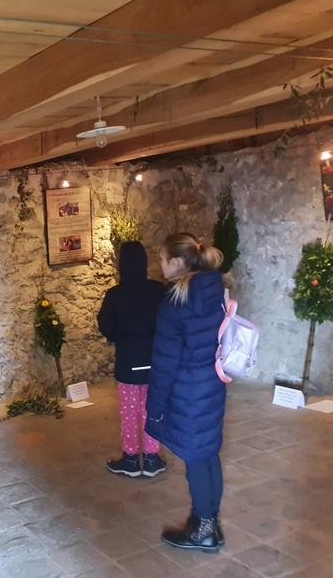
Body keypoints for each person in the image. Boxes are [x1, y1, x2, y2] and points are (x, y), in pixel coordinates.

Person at [146, 232, 227, 553]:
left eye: (163, 259)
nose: (160, 265)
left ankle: (204, 531)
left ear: (177, 261)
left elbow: (165, 363)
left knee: (196, 459)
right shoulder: (213, 288)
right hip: (211, 386)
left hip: (188, 393)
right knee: (207, 454)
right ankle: (208, 521)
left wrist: (154, 407)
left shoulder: (175, 302)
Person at [98, 241, 166, 478]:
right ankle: (151, 459)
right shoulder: (158, 290)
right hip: (154, 361)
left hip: (128, 362)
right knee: (151, 410)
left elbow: (105, 325)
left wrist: (121, 337)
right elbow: (168, 322)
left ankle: (130, 459)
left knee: (129, 413)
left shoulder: (115, 295)